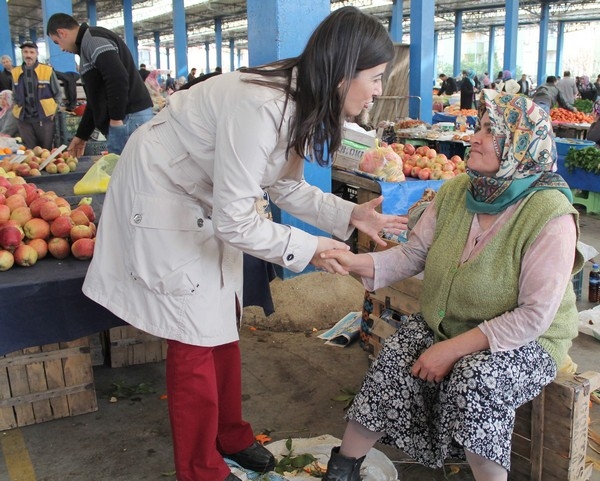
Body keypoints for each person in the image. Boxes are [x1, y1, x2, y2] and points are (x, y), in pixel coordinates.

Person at [81, 7, 407, 481]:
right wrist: (311, 249)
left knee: (222, 316)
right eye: (375, 77)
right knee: (193, 329)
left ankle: (230, 436)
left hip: (205, 196)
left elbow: (285, 185)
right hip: (163, 189)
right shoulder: (262, 104)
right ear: (343, 71)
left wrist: (350, 214)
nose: (379, 89)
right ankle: (201, 469)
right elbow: (236, 222)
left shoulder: (303, 97)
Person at [320, 89, 583, 481]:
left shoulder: (550, 215)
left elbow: (534, 317)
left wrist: (450, 350)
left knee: (475, 380)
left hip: (527, 341)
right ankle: (342, 468)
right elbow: (413, 254)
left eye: (491, 130)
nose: (476, 136)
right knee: (396, 356)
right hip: (450, 321)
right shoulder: (461, 190)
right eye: (479, 126)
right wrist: (355, 261)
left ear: (520, 144)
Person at [46, 13, 154, 156]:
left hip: (129, 119)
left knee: (130, 174)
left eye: (56, 42)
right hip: (126, 119)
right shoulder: (86, 47)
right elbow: (95, 99)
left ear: (62, 32)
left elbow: (117, 77)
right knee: (127, 173)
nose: (60, 49)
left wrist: (116, 119)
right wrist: (82, 135)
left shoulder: (93, 40)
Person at [11, 41, 62, 150]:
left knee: (46, 150)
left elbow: (57, 93)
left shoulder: (47, 70)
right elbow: (14, 95)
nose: (28, 55)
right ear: (22, 54)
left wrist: (54, 110)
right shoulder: (15, 72)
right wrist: (16, 112)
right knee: (30, 152)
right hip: (24, 119)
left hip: (44, 117)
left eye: (31, 52)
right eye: (25, 52)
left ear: (36, 54)